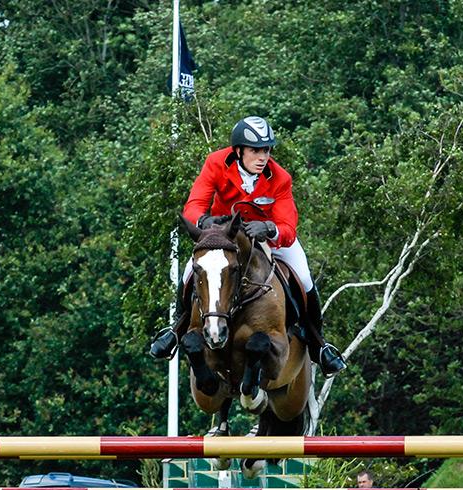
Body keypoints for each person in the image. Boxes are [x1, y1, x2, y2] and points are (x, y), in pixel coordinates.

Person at [148, 115, 346, 376]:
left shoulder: (280, 178)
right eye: (255, 151)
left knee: (306, 279)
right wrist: (205, 220)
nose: (262, 157)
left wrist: (269, 229)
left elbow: (288, 226)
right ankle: (175, 330)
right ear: (239, 151)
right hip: (224, 238)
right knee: (189, 273)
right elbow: (194, 205)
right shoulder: (216, 163)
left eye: (266, 150)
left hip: (267, 240)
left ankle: (319, 345)